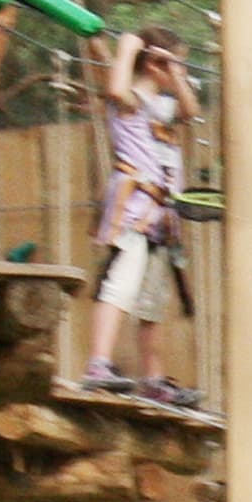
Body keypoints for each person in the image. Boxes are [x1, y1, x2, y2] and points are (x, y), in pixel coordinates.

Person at [81, 27, 199, 401]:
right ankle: (98, 362)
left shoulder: (164, 105)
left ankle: (153, 377)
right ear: (154, 62)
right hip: (134, 210)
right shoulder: (129, 98)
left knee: (152, 302)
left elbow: (190, 110)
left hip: (162, 216)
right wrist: (127, 48)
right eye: (173, 62)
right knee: (120, 286)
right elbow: (115, 89)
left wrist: (177, 76)